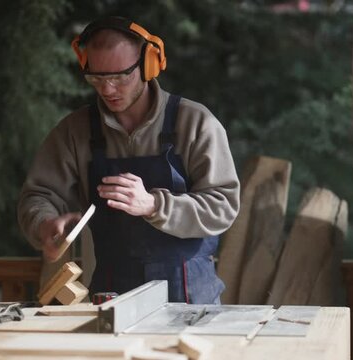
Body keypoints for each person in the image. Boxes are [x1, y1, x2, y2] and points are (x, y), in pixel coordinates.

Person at [17, 16, 240, 304]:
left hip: (193, 303)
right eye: (97, 78)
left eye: (120, 77)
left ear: (149, 64)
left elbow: (223, 206)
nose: (108, 89)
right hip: (112, 299)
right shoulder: (75, 132)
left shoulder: (195, 123)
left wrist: (154, 205)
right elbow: (37, 195)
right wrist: (44, 224)